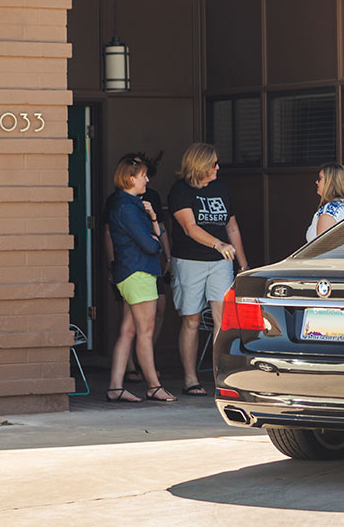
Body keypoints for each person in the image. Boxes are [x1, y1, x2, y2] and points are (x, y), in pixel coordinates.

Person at [168, 143, 248, 396]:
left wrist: (243, 264)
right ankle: (190, 379)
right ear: (200, 166)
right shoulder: (180, 191)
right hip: (190, 261)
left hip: (220, 263)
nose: (217, 167)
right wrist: (218, 243)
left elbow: (232, 227)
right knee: (191, 319)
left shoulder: (221, 188)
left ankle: (220, 376)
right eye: (213, 163)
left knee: (222, 320)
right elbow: (189, 228)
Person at [105, 156, 176, 402]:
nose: (147, 179)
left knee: (128, 330)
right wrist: (154, 238)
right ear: (131, 178)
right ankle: (154, 386)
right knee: (145, 332)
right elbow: (149, 245)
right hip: (139, 273)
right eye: (144, 175)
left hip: (131, 273)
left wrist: (155, 220)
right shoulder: (126, 207)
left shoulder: (131, 204)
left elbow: (156, 236)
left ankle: (116, 386)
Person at [306, 162, 344, 243]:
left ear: (330, 182)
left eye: (320, 178)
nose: (316, 182)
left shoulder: (327, 213)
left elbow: (322, 250)